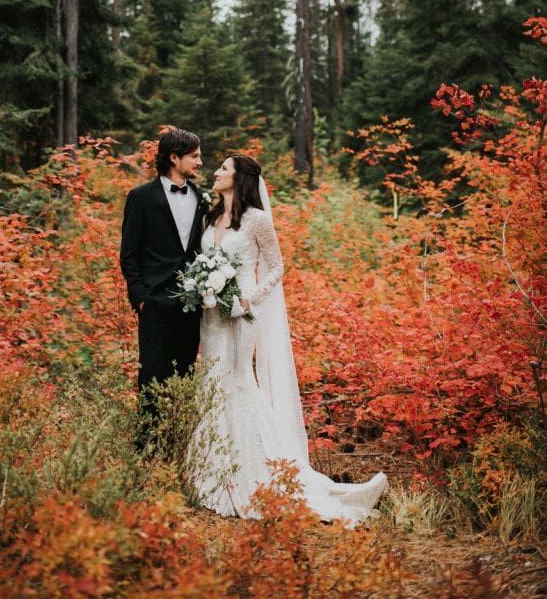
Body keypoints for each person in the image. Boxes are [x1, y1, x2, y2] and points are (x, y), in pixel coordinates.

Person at [192, 153, 388, 527]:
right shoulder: (210, 216)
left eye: (224, 168)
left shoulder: (257, 220)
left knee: (236, 380)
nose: (216, 172)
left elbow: (278, 267)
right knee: (211, 381)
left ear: (241, 178)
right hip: (212, 313)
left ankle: (255, 472)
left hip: (244, 310)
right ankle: (210, 471)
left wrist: (251, 297)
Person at [119, 127, 208, 441]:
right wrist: (140, 297)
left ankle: (177, 443)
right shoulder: (142, 197)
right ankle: (144, 450)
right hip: (155, 303)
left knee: (185, 374)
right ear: (174, 157)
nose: (200, 162)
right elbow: (129, 253)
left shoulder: (201, 198)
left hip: (192, 304)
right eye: (194, 156)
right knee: (151, 376)